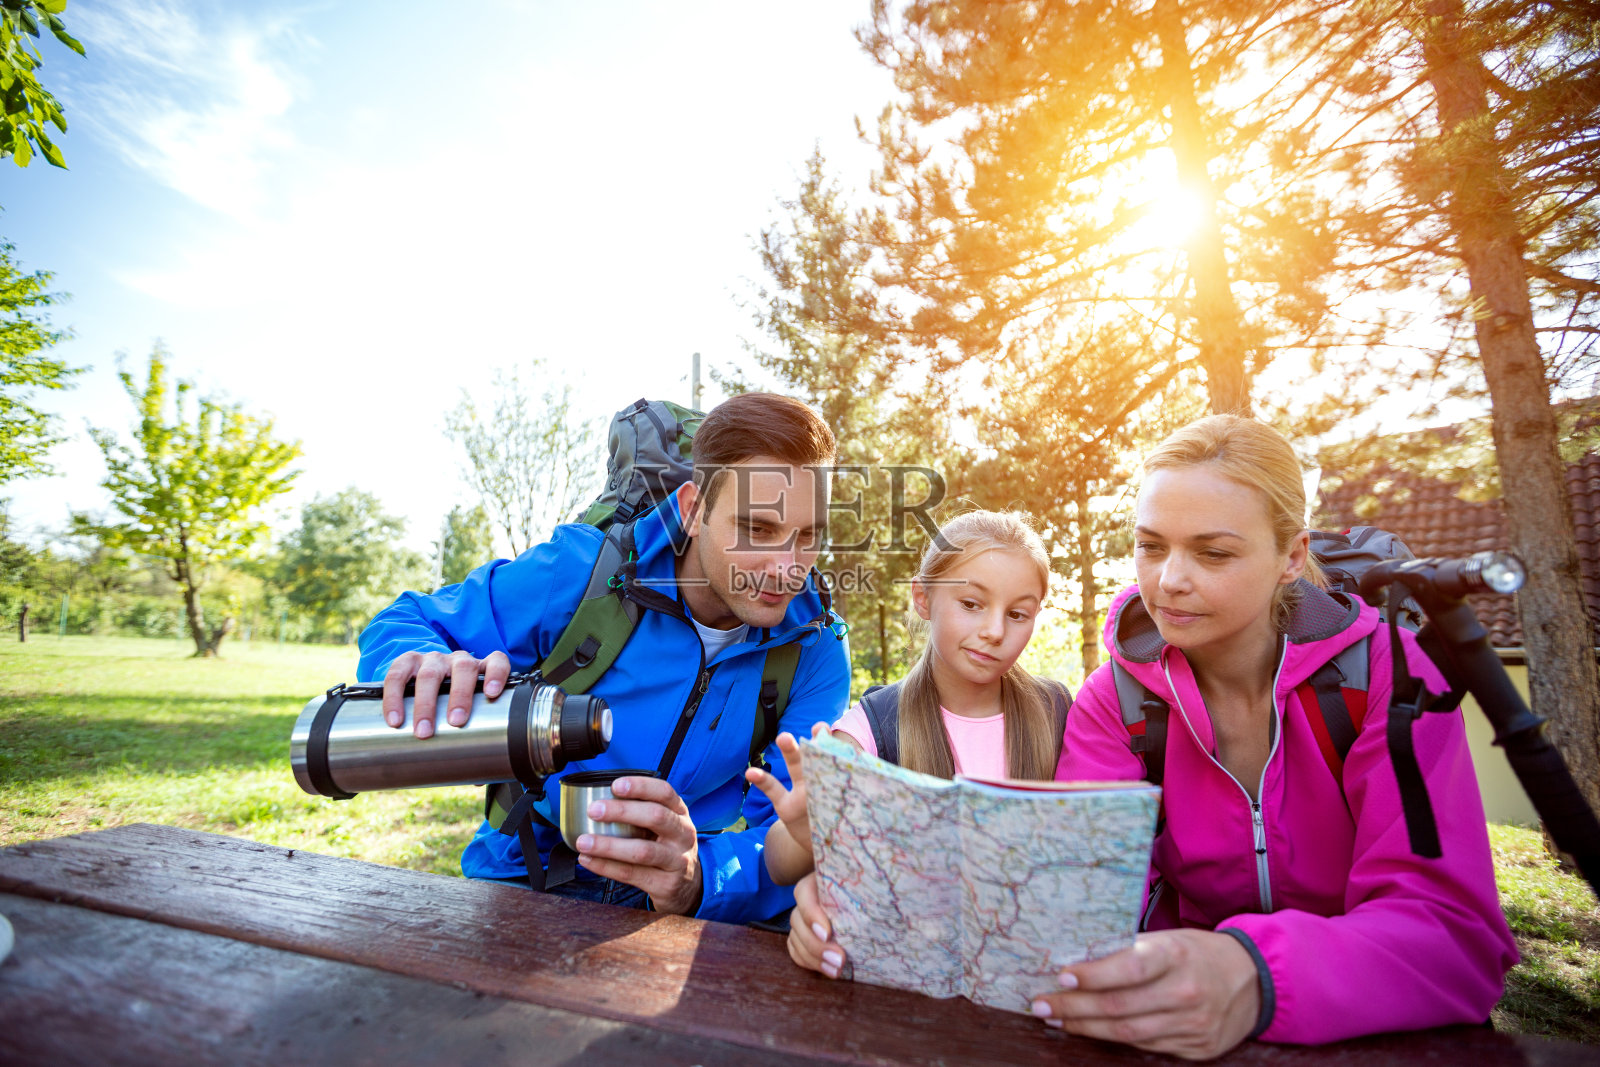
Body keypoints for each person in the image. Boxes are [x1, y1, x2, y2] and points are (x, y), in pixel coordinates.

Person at [787, 415, 1518, 1058]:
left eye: (1214, 552)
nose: (1169, 580)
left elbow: (1454, 935)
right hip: (1168, 1024)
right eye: (1150, 545)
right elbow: (1064, 901)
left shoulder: (1386, 674)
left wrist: (1254, 972)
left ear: (1291, 556)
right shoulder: (1118, 698)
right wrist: (856, 898)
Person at [355, 392, 852, 924]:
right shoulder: (583, 573)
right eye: (758, 529)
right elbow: (409, 619)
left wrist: (699, 878)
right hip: (528, 875)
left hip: (688, 904)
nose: (786, 568)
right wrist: (420, 659)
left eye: (809, 537)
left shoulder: (815, 647)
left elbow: (792, 832)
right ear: (693, 510)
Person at [748, 510, 1067, 933]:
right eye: (971, 604)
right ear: (922, 597)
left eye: (1018, 614)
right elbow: (777, 863)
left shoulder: (1058, 712)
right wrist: (808, 831)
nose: (994, 630)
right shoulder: (867, 731)